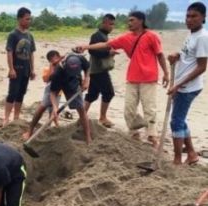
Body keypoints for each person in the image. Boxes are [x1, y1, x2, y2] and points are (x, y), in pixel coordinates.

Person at [76, 11, 170, 147]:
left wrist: (166, 73)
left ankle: (152, 135)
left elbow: (160, 55)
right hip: (132, 78)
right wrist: (86, 46)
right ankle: (134, 133)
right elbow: (106, 45)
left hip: (149, 78)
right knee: (129, 109)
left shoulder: (151, 36)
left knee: (149, 108)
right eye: (128, 21)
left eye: (132, 20)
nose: (129, 23)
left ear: (141, 21)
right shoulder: (126, 38)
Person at [167, 2, 208, 165]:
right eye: (187, 16)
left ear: (203, 17)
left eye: (194, 16)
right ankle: (191, 153)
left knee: (175, 121)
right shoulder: (191, 34)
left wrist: (178, 85)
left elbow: (202, 67)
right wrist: (177, 55)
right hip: (182, 84)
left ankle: (177, 159)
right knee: (180, 119)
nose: (189, 19)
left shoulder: (203, 38)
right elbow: (188, 55)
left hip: (188, 87)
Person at [3, 7, 36, 128]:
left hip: (26, 70)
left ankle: (16, 117)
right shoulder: (13, 35)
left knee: (21, 93)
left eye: (30, 19)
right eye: (27, 19)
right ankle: (6, 118)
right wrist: (11, 69)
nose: (29, 21)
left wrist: (32, 69)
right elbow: (9, 52)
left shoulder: (30, 36)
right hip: (16, 69)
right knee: (12, 93)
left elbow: (31, 53)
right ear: (19, 19)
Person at [84, 14, 118, 128]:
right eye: (111, 24)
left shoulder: (103, 36)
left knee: (92, 95)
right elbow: (92, 51)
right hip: (98, 70)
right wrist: (109, 53)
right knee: (109, 93)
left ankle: (82, 116)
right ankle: (102, 118)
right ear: (104, 23)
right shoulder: (97, 36)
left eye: (113, 24)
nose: (112, 26)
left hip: (95, 70)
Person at [22, 50, 63, 140]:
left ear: (59, 56)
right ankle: (30, 130)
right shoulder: (51, 66)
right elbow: (49, 78)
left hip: (59, 90)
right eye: (52, 60)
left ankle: (50, 127)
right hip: (50, 88)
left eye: (56, 57)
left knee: (54, 111)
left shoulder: (64, 62)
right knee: (42, 107)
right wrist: (54, 64)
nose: (55, 60)